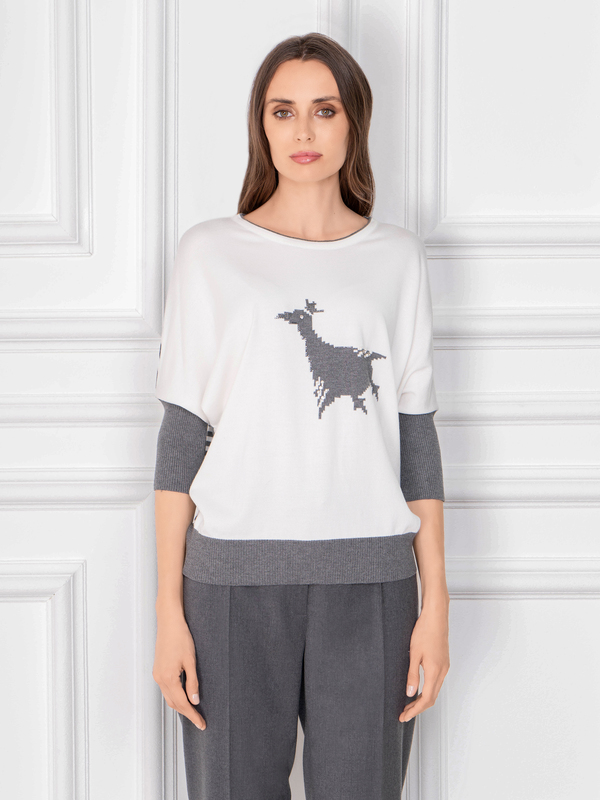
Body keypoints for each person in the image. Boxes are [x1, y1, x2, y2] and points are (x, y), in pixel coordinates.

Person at [152, 31, 450, 800]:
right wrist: (168, 613)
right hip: (229, 585)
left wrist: (436, 605)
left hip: (373, 582)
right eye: (283, 111)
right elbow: (182, 438)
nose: (303, 130)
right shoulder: (209, 253)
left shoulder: (397, 257)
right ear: (261, 124)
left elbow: (415, 437)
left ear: (355, 122)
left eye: (325, 109)